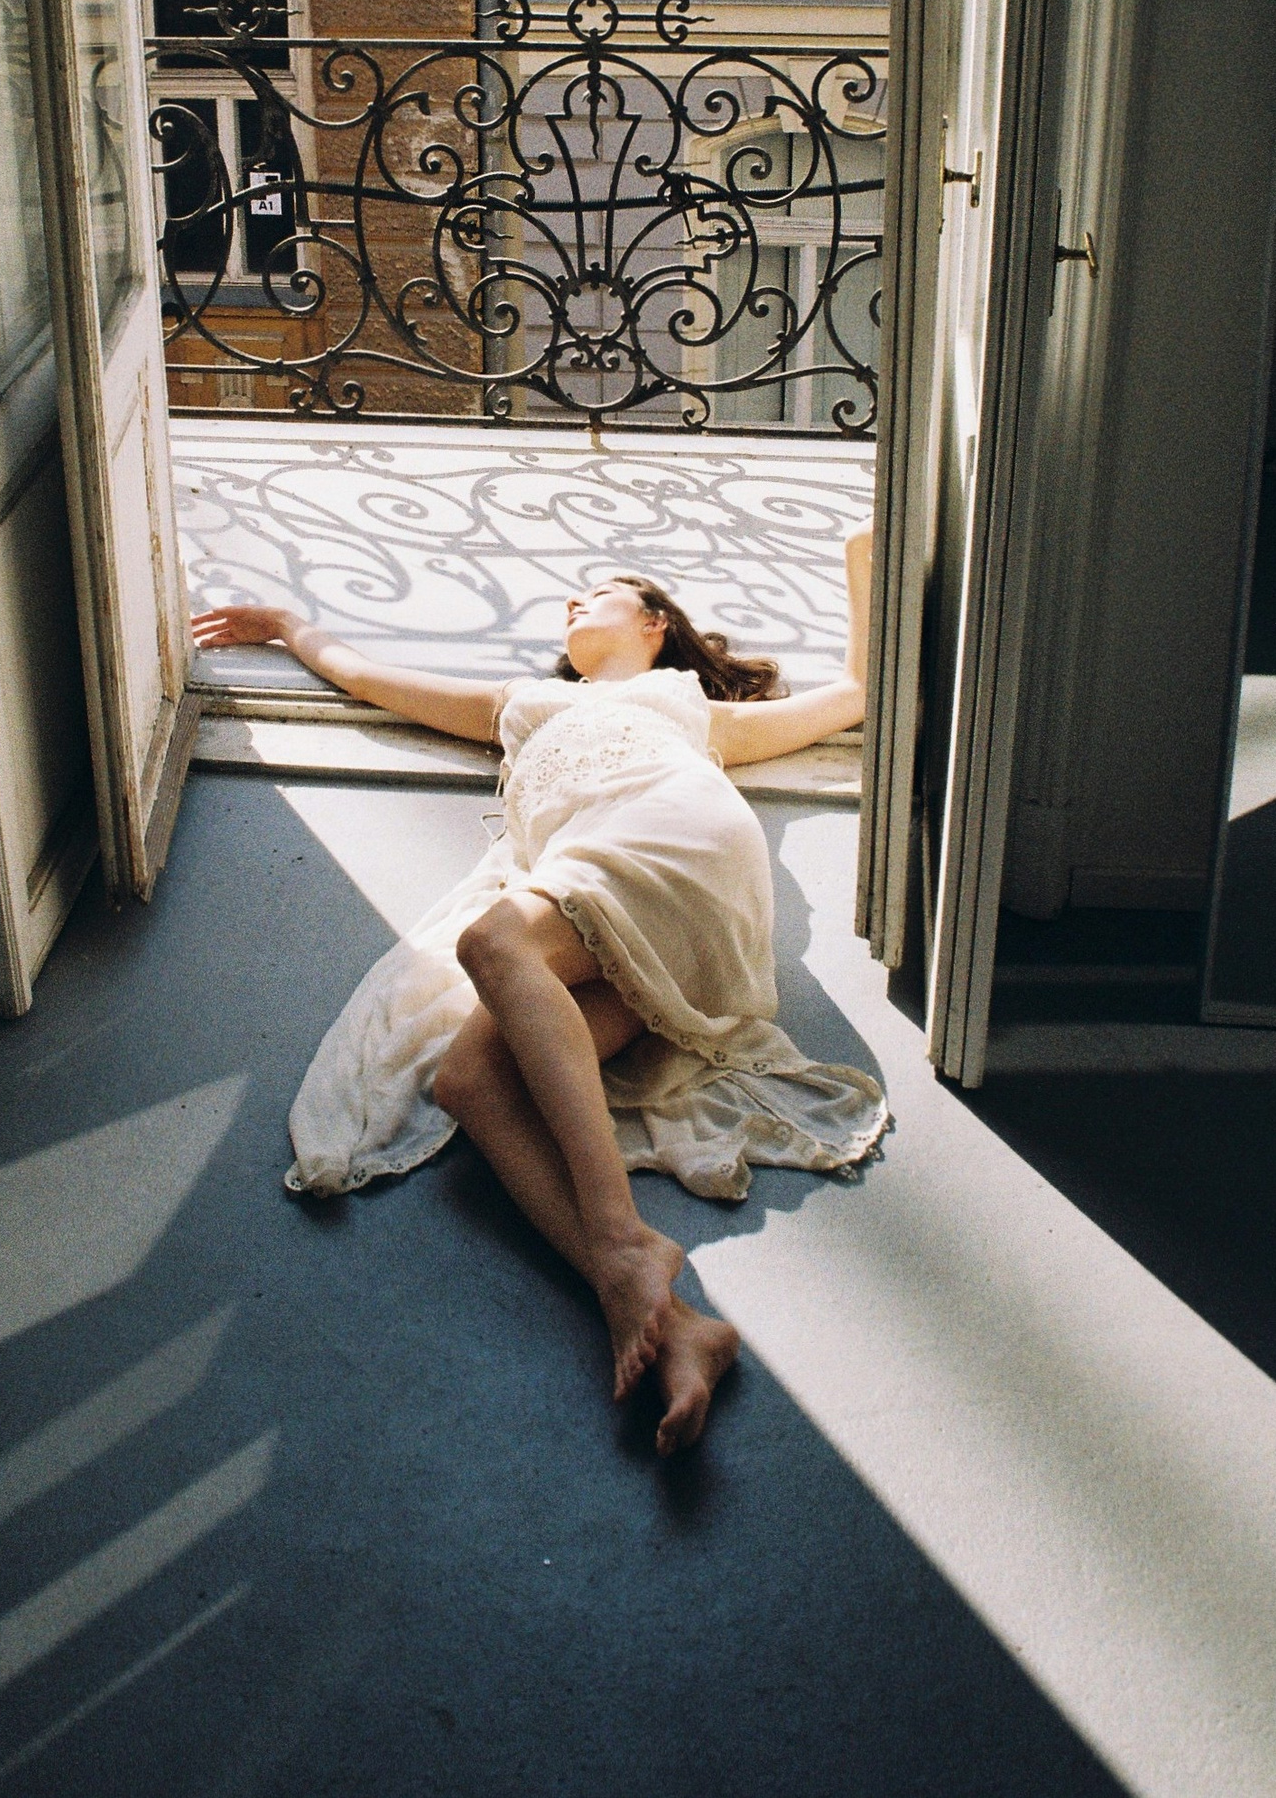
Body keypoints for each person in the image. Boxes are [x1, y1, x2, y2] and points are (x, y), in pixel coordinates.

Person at [188, 527, 885, 1457]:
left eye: (599, 592)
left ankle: (623, 1240)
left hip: (674, 850)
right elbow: (365, 677)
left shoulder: (684, 701)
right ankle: (677, 1327)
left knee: (491, 940)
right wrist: (284, 624)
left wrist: (864, 561)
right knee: (470, 1083)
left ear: (655, 622)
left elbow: (857, 694)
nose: (572, 603)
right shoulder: (522, 703)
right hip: (600, 917)